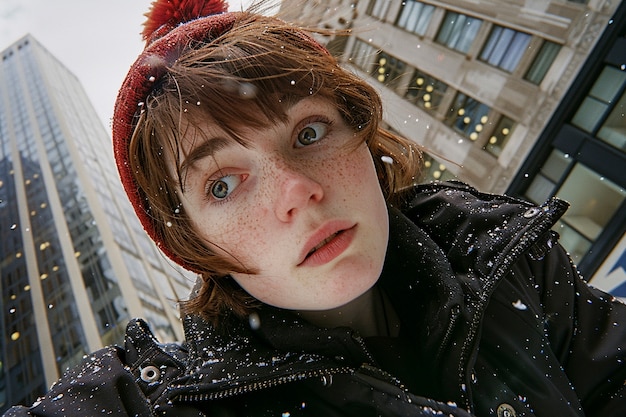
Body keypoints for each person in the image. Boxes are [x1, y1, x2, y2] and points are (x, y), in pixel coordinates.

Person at [6, 0, 626, 416]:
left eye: (308, 133)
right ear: (191, 241)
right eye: (222, 185)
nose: (296, 192)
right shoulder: (174, 401)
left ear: (363, 136)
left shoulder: (504, 260)